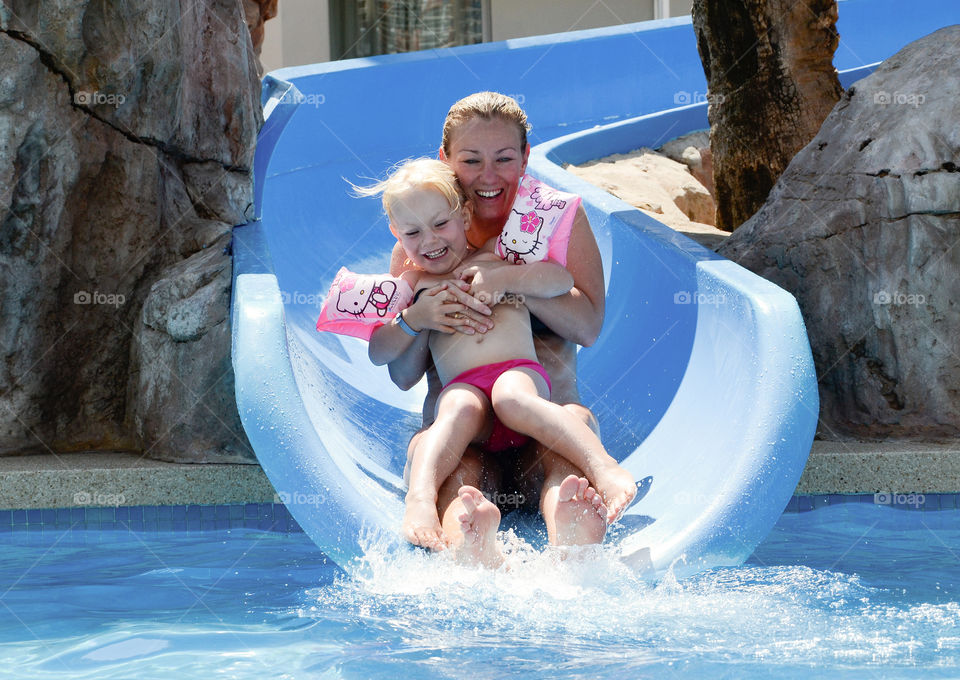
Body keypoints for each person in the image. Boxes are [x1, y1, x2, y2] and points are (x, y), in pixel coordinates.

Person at [385, 92, 635, 561]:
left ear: (525, 158)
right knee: (453, 473)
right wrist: (421, 319)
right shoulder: (422, 238)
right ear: (446, 159)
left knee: (572, 438)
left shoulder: (555, 220)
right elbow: (401, 375)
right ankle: (469, 544)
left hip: (543, 419)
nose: (488, 176)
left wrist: (511, 282)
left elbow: (587, 327)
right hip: (463, 429)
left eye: (504, 159)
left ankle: (571, 531)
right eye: (471, 160)